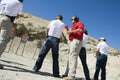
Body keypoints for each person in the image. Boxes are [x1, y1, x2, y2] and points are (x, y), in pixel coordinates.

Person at [0, 0, 23, 69]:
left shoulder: (4, 0)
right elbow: (18, 14)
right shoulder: (19, 3)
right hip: (7, 20)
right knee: (3, 40)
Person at [63, 16, 84, 80]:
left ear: (75, 20)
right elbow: (72, 33)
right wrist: (68, 30)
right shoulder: (74, 26)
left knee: (73, 57)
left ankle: (71, 76)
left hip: (76, 41)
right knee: (70, 57)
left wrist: (71, 32)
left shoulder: (80, 23)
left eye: (72, 19)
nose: (71, 20)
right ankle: (68, 74)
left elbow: (80, 30)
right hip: (72, 41)